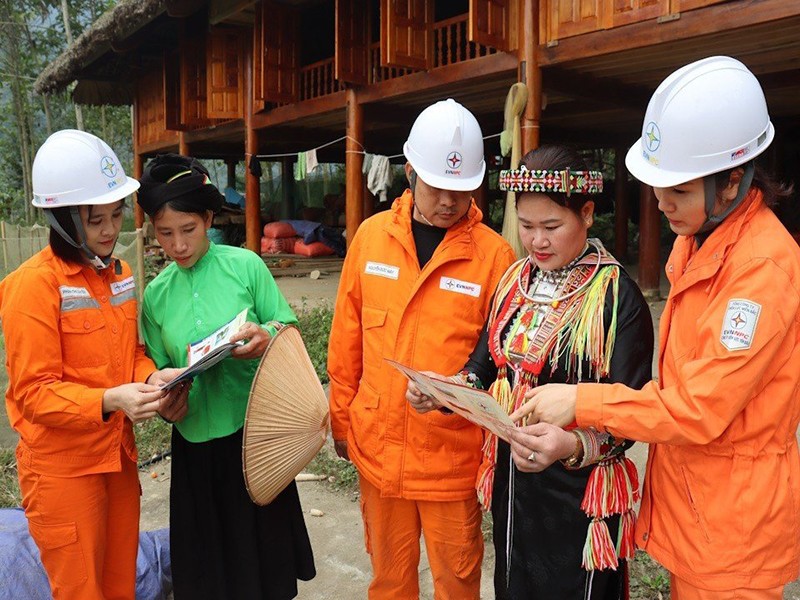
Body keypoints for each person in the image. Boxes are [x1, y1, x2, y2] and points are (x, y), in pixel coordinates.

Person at [517, 56, 800, 599]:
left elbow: (697, 406)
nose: (662, 202)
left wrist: (584, 402)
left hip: (733, 530)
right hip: (699, 510)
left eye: (680, 190)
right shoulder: (702, 242)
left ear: (732, 181)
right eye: (657, 185)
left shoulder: (759, 273)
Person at [407, 145, 654, 599]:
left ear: (586, 214)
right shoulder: (513, 282)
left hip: (578, 492)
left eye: (551, 227)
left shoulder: (618, 297)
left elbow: (633, 410)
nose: (537, 241)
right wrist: (447, 392)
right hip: (514, 484)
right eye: (526, 226)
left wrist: (572, 444)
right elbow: (483, 366)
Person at [327, 98, 516, 599]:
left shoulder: (495, 256)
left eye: (461, 188)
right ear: (409, 173)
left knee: (457, 583)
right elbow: (346, 340)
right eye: (437, 186)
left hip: (451, 460)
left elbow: (504, 359)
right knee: (390, 582)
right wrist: (342, 421)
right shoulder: (370, 240)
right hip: (379, 450)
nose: (449, 201)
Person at [0, 129, 187, 599]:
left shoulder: (119, 276)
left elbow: (130, 353)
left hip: (117, 461)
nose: (110, 230)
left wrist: (150, 376)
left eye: (116, 214)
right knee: (81, 590)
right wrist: (110, 400)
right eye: (95, 219)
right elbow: (33, 393)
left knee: (122, 582)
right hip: (63, 473)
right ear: (62, 220)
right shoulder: (32, 288)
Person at [137, 153, 315, 600]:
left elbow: (286, 326)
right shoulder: (156, 297)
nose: (177, 245)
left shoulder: (245, 266)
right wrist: (165, 396)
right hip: (196, 446)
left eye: (189, 230)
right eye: (165, 234)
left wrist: (264, 335)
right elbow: (156, 370)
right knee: (209, 571)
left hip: (254, 435)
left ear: (209, 218)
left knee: (264, 563)